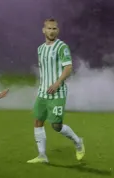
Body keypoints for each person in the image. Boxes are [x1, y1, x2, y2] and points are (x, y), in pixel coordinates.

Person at [27, 18, 85, 164]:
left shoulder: (61, 47)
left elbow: (68, 67)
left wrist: (57, 83)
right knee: (37, 121)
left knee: (56, 126)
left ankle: (78, 142)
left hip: (57, 92)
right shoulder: (40, 49)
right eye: (49, 28)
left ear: (57, 30)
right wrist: (42, 86)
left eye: (54, 29)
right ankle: (42, 155)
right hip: (43, 93)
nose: (51, 31)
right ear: (43, 30)